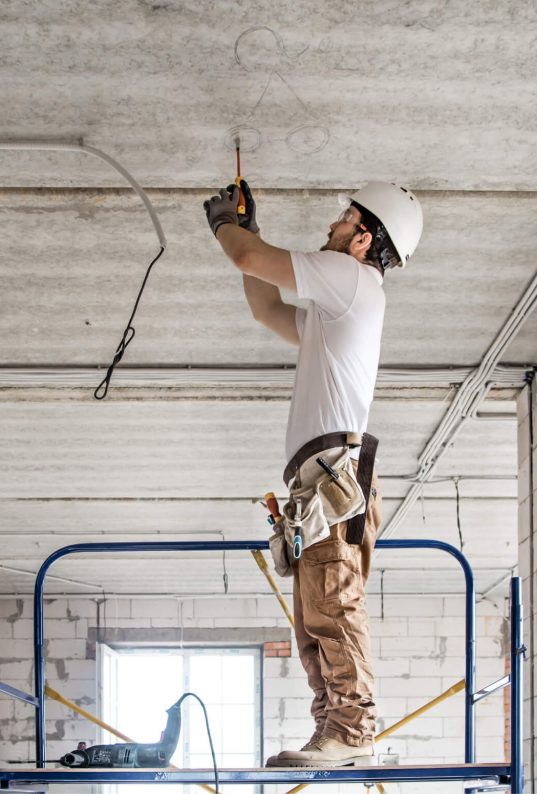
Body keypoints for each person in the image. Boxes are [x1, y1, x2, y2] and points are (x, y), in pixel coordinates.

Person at [204, 179, 423, 767]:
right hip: (316, 485)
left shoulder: (353, 282)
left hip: (332, 480)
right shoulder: (335, 312)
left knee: (332, 604)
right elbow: (265, 305)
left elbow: (250, 261)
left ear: (364, 239)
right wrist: (245, 234)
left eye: (344, 218)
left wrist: (230, 228)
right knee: (314, 617)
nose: (332, 225)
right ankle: (333, 726)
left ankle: (353, 732)